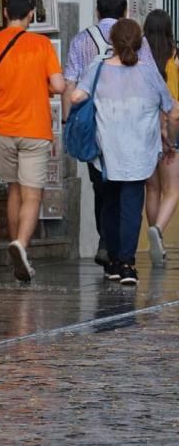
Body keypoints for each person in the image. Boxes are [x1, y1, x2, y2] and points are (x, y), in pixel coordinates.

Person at [71, 19, 179, 285]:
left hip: (107, 153)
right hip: (140, 153)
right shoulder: (149, 73)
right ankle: (128, 265)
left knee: (110, 205)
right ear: (139, 43)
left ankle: (114, 263)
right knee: (132, 207)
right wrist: (170, 141)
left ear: (112, 43)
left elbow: (75, 97)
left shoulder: (98, 69)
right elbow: (173, 111)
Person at [0, 0, 65, 282]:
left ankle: (17, 250)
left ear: (4, 13)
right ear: (31, 14)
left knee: (13, 187)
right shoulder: (41, 46)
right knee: (33, 193)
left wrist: (6, 87)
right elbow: (59, 85)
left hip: (3, 128)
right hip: (35, 128)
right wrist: (42, 86)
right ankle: (21, 246)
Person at [62, 0, 152, 267]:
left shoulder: (81, 40)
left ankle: (106, 241)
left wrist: (69, 123)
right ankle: (116, 251)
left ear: (97, 12)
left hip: (95, 126)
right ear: (125, 13)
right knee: (127, 191)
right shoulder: (139, 41)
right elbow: (148, 79)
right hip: (132, 126)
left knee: (102, 186)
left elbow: (69, 84)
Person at [143, 9, 179, 267]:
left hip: (144, 132)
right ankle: (157, 230)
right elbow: (173, 107)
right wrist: (172, 140)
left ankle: (157, 239)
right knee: (173, 190)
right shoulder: (172, 61)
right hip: (167, 132)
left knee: (152, 188)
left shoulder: (139, 60)